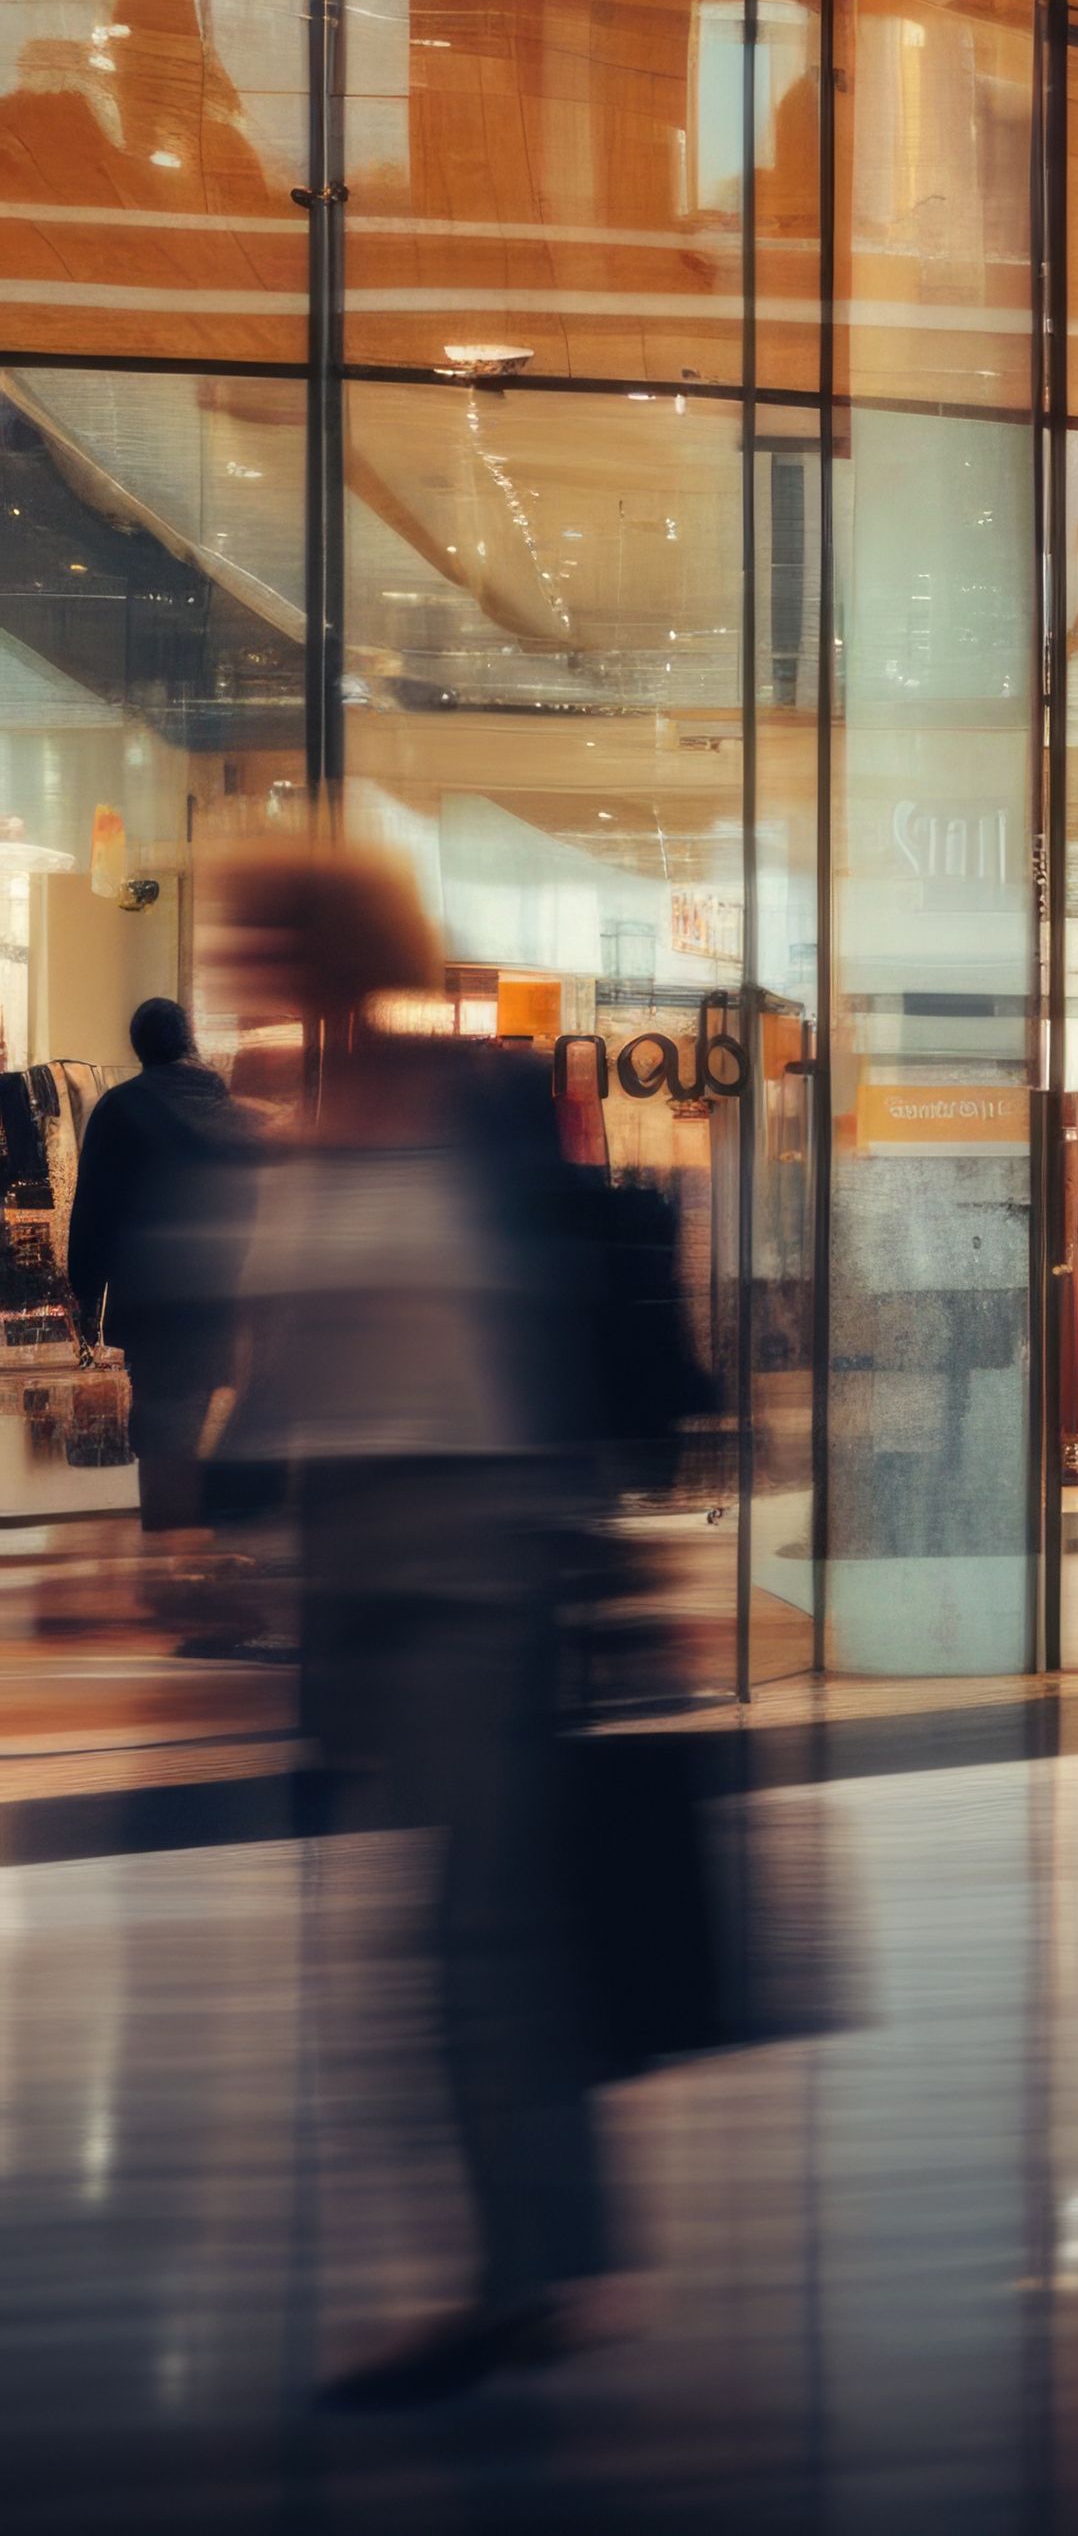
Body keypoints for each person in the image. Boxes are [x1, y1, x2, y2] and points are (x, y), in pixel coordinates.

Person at [207, 847, 651, 2410]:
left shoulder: (470, 1102)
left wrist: (593, 1535)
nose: (235, 952)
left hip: (478, 1543)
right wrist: (222, 1508)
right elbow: (303, 1352)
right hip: (355, 1559)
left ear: (334, 945)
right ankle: (546, 2253)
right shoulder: (295, 1117)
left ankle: (525, 2273)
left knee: (474, 1926)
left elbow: (543, 1320)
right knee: (451, 1925)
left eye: (262, 928)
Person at [80, 992, 261, 1659]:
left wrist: (85, 1294)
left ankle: (169, 1570)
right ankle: (201, 1566)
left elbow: (94, 1209)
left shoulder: (120, 1110)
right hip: (228, 1299)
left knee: (164, 1429)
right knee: (218, 1428)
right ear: (190, 1041)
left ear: (140, 1049)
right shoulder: (233, 1113)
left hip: (155, 1302)